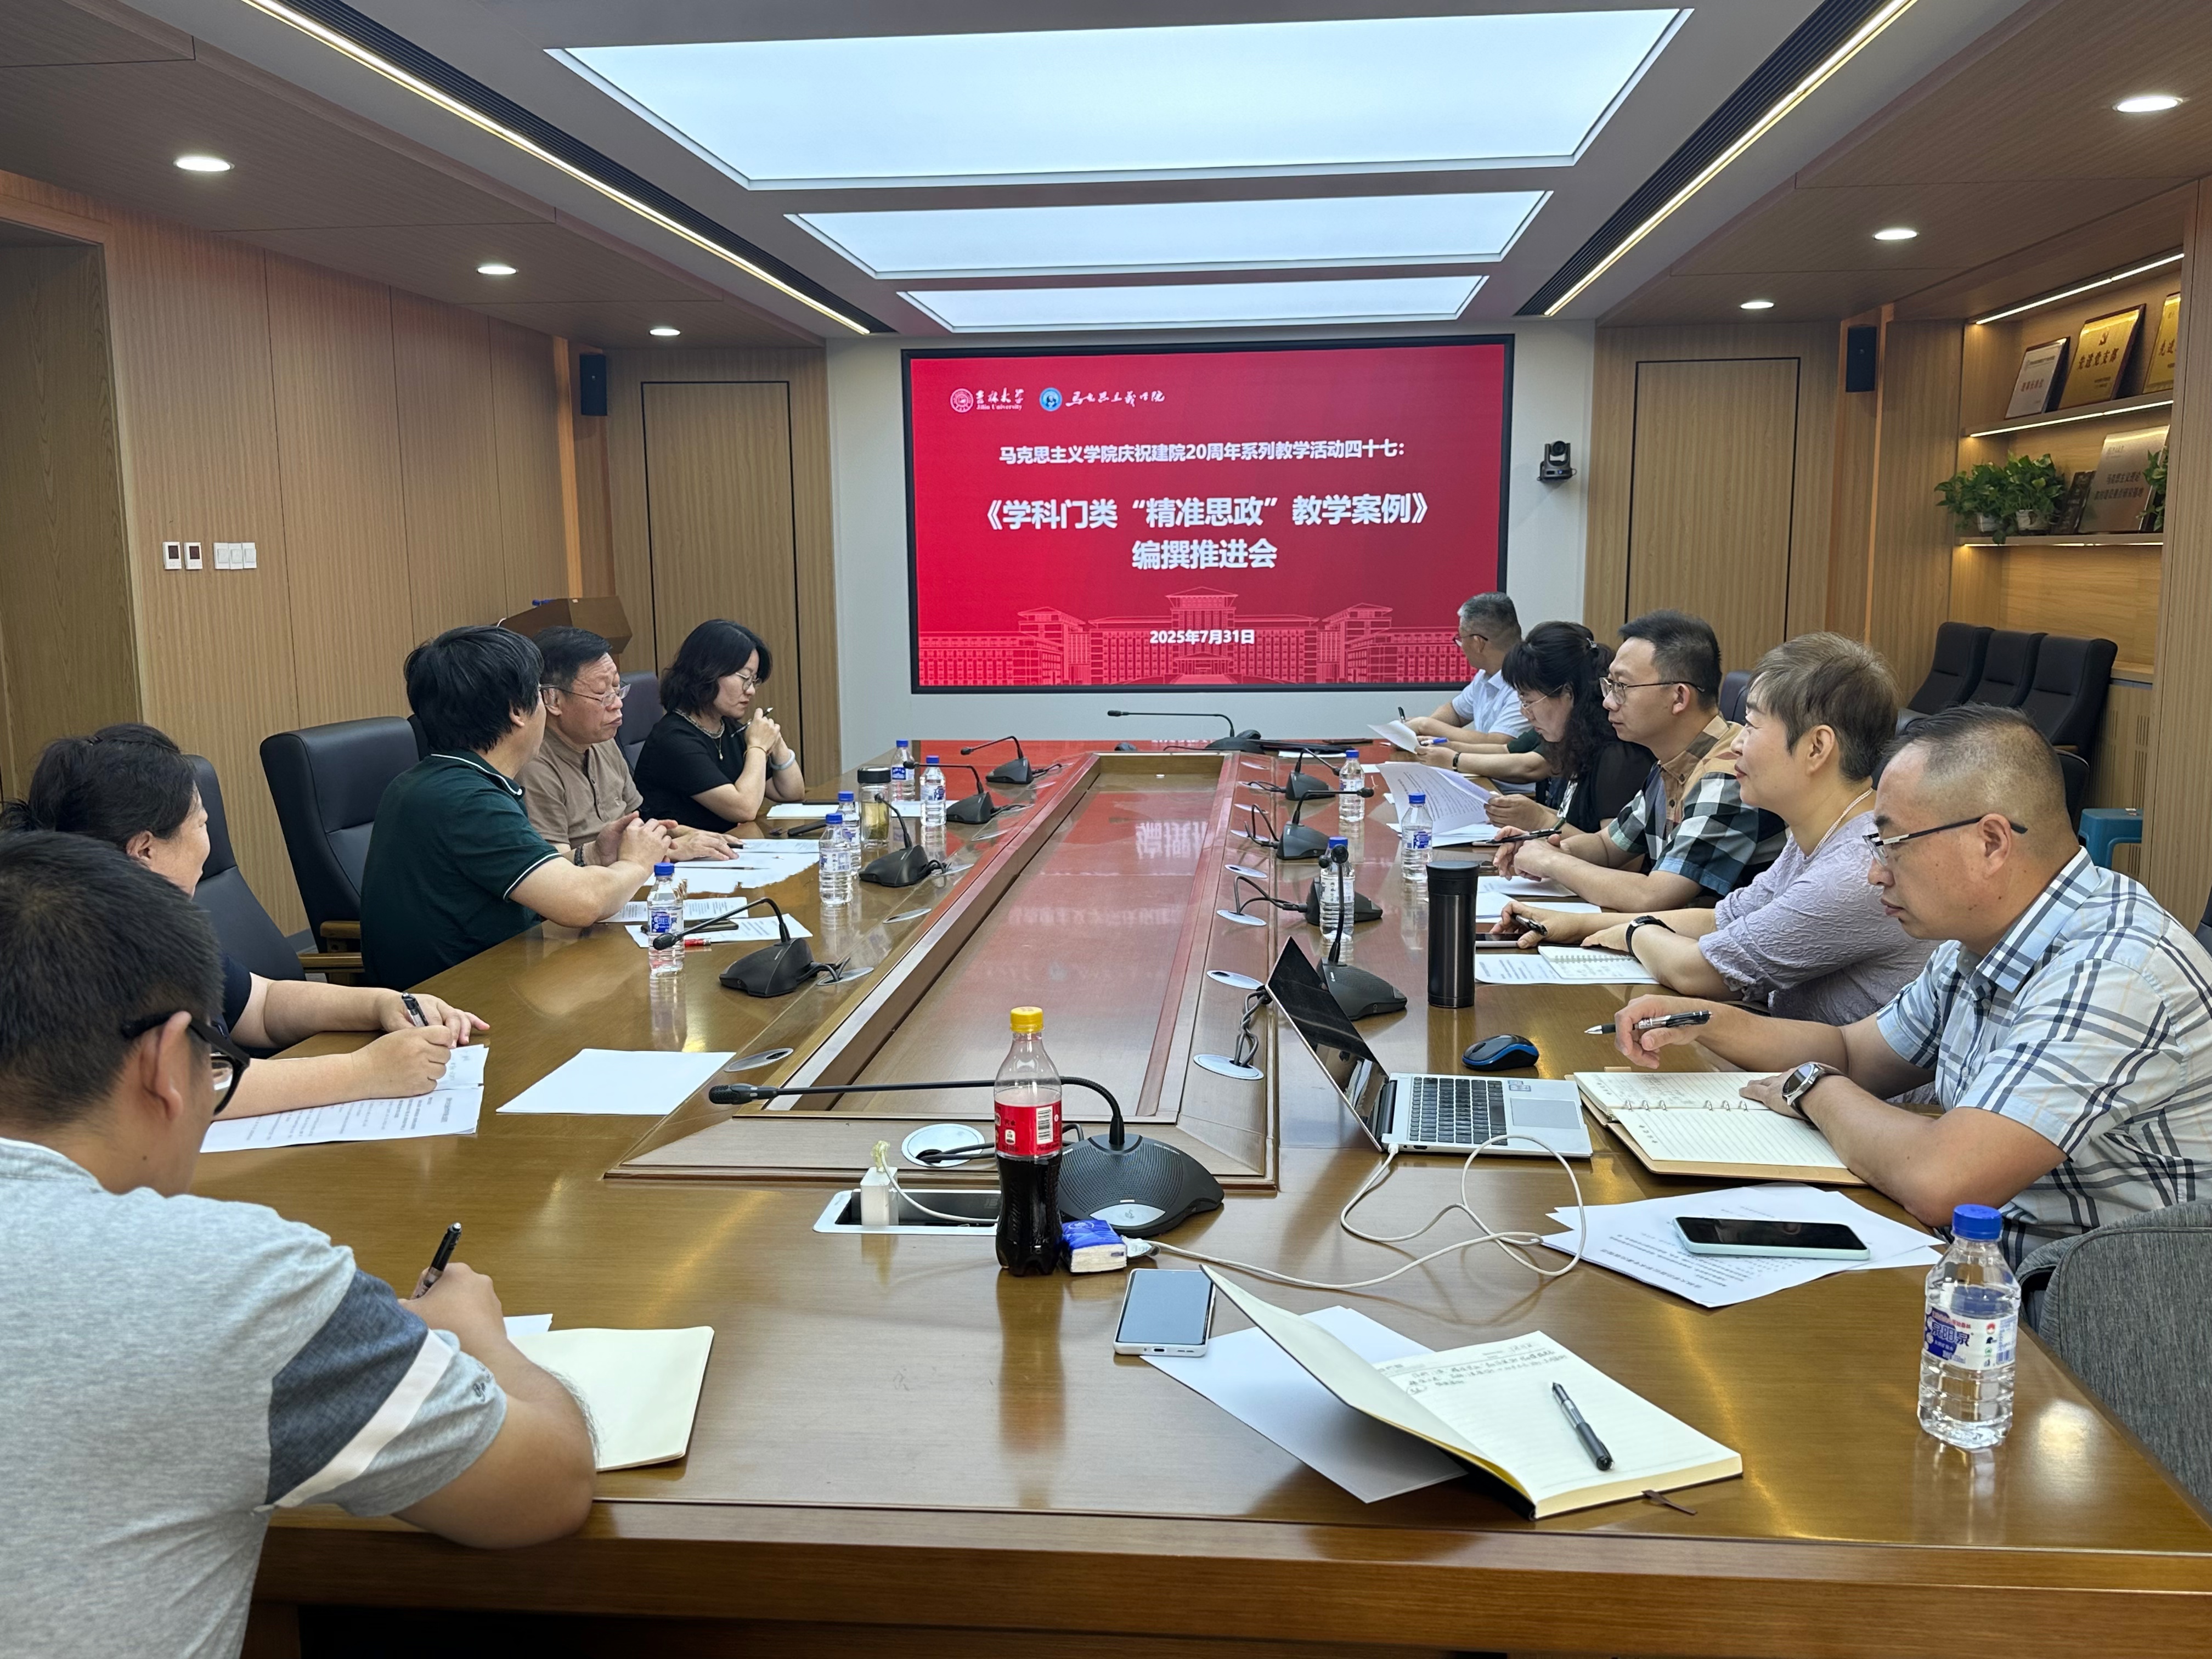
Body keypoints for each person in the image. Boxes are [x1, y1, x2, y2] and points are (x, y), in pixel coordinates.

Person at [0, 832, 594, 1658]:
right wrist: (479, 1336)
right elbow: (547, 1487)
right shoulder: (235, 1283)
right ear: (168, 1065)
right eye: (216, 1060)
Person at [1612, 704, 2212, 1261]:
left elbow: (1940, 1180)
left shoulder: (2115, 972)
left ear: (1991, 842)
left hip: (2070, 1309)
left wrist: (1810, 1087)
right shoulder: (1977, 942)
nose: (1875, 874)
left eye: (1892, 845)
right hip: (1978, 1266)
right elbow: (1854, 1053)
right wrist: (1708, 1022)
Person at [2, 724, 483, 1119]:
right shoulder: (73, 949)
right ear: (145, 849)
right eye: (201, 824)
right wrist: (365, 1072)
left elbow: (261, 1006)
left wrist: (381, 1003)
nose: (207, 842)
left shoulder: (146, 922)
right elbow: (191, 1088)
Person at [1499, 634, 1932, 1023]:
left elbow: (1698, 969)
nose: (1738, 742)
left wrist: (1634, 931)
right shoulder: (1819, 836)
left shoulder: (1855, 869)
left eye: (1753, 726)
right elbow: (1722, 919)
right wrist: (1576, 924)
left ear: (1816, 747)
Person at [363, 625, 670, 990]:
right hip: (463, 999)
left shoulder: (437, 780)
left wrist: (592, 855)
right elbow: (582, 904)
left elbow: (523, 876)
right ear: (516, 711)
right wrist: (637, 863)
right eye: (539, 696)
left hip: (491, 976)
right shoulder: (468, 801)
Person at [1494, 609, 1782, 909]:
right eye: (1610, 685)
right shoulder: (1670, 762)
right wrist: (1544, 847)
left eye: (1622, 687)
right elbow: (1607, 845)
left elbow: (1654, 895)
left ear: (1679, 697)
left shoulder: (1726, 775)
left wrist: (1552, 862)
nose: (1608, 701)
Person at [517, 626, 732, 863]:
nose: (618, 704)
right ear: (553, 700)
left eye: (617, 689)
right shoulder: (533, 764)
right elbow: (553, 867)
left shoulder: (603, 741)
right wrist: (668, 850)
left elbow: (636, 822)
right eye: (603, 694)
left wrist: (684, 833)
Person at [1474, 622, 1651, 833]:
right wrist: (1522, 813)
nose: (1525, 712)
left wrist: (1539, 821)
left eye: (1528, 701)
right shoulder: (1578, 742)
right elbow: (1572, 821)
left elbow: (1612, 850)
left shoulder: (1619, 756)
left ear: (1568, 693)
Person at [633, 619, 807, 832]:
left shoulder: (728, 728)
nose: (751, 690)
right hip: (679, 851)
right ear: (707, 672)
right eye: (745, 678)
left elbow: (791, 793)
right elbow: (744, 809)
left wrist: (776, 741)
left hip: (726, 845)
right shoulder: (673, 740)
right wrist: (758, 747)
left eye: (754, 681)